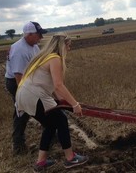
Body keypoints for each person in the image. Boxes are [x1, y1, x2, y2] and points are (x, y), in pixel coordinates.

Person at [15, 32, 88, 172]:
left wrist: (63, 100)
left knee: (50, 125)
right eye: (69, 46)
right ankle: (70, 158)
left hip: (24, 95)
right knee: (60, 119)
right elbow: (58, 85)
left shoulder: (43, 57)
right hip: (34, 95)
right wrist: (75, 105)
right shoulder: (55, 58)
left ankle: (41, 162)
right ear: (62, 45)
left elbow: (50, 84)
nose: (69, 49)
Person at [5, 21, 47, 155]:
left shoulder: (33, 46)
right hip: (17, 81)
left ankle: (51, 131)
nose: (41, 37)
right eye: (38, 34)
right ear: (29, 34)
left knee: (35, 107)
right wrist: (26, 95)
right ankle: (18, 146)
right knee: (23, 109)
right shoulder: (19, 51)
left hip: (29, 78)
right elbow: (19, 77)